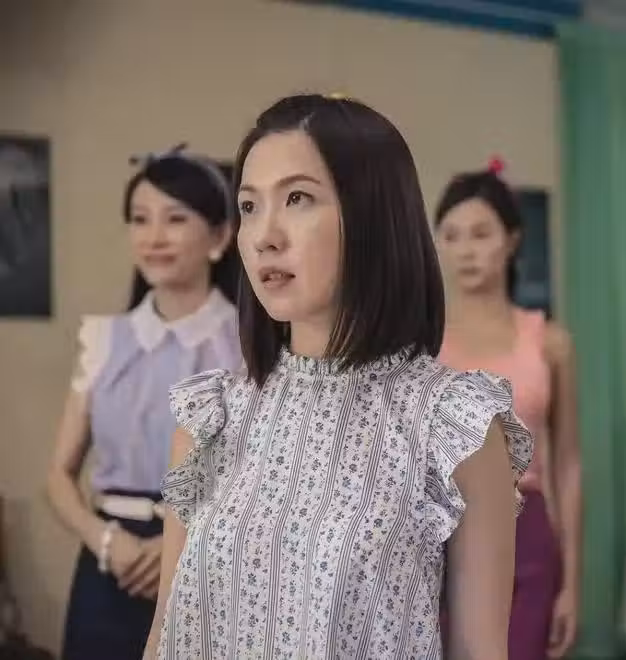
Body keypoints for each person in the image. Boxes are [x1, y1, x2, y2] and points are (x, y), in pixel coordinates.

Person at [144, 94, 533, 660]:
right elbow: (166, 631)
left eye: (297, 198)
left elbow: (479, 651)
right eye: (249, 206)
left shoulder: (455, 426)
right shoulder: (212, 419)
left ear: (373, 216)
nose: (265, 235)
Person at [46, 147, 244, 660]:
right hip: (110, 562)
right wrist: (106, 542)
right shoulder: (103, 339)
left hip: (213, 564)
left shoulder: (250, 344)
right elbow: (58, 476)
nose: (153, 237)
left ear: (220, 237)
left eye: (175, 219)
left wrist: (177, 544)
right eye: (140, 219)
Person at [434, 163, 581, 659]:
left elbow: (568, 467)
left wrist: (572, 583)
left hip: (528, 537)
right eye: (451, 235)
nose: (466, 250)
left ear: (512, 240)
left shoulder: (550, 343)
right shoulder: (423, 346)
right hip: (444, 540)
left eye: (481, 234)